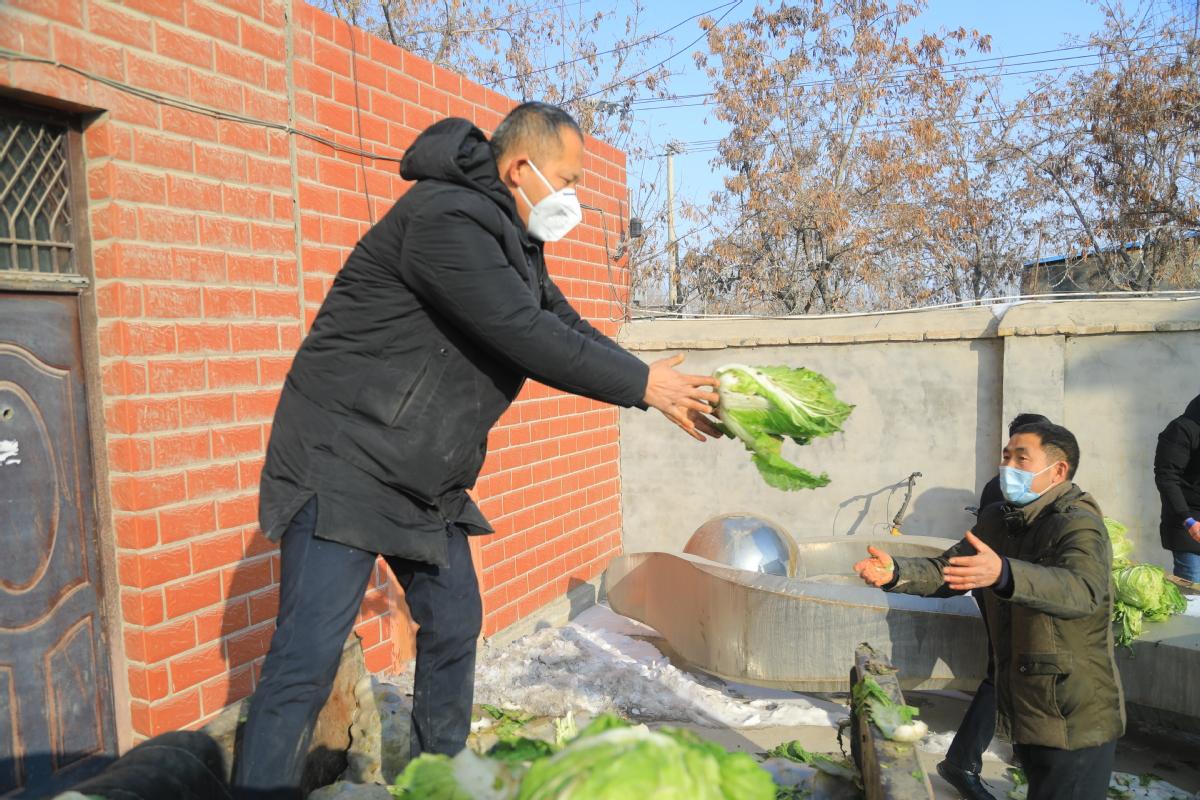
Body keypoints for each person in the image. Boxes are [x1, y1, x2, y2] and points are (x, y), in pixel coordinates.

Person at [232, 103, 722, 798]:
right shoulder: (445, 220)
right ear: (520, 169)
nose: (573, 196)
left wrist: (648, 377)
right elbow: (522, 332)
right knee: (305, 662)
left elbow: (562, 321)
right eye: (567, 178)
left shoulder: (512, 238)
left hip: (420, 477)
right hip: (342, 462)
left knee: (455, 620)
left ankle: (441, 778)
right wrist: (644, 387)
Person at [854, 422, 1124, 800]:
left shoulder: (1077, 523)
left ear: (1058, 471)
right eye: (1006, 456)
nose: (1007, 466)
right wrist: (896, 572)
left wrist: (1005, 572)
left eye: (1021, 458)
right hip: (1031, 709)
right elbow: (950, 570)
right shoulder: (1001, 518)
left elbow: (1084, 590)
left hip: (1074, 713)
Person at [938, 412, 1050, 800]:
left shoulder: (1040, 491)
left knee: (1014, 671)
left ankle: (1017, 752)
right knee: (1002, 671)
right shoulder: (1002, 489)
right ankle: (962, 761)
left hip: (1016, 589)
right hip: (1004, 592)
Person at [1154, 393, 1200, 583]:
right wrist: (1188, 520)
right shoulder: (1182, 429)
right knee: (1193, 599)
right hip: (1189, 525)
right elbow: (1166, 477)